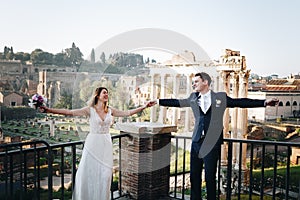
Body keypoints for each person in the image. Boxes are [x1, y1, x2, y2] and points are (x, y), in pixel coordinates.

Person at [151, 72, 278, 200]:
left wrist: (264, 103)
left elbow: (240, 102)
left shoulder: (220, 97)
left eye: (196, 82)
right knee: (194, 176)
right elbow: (177, 102)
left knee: (210, 177)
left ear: (205, 82)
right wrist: (157, 101)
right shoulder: (193, 97)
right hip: (196, 143)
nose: (193, 84)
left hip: (212, 143)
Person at [40, 86, 153, 200]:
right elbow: (69, 112)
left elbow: (127, 113)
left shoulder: (110, 110)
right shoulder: (90, 110)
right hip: (93, 144)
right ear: (98, 95)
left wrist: (144, 107)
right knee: (89, 173)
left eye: (107, 93)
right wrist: (49, 110)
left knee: (106, 175)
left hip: (106, 144)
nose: (106, 95)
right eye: (104, 93)